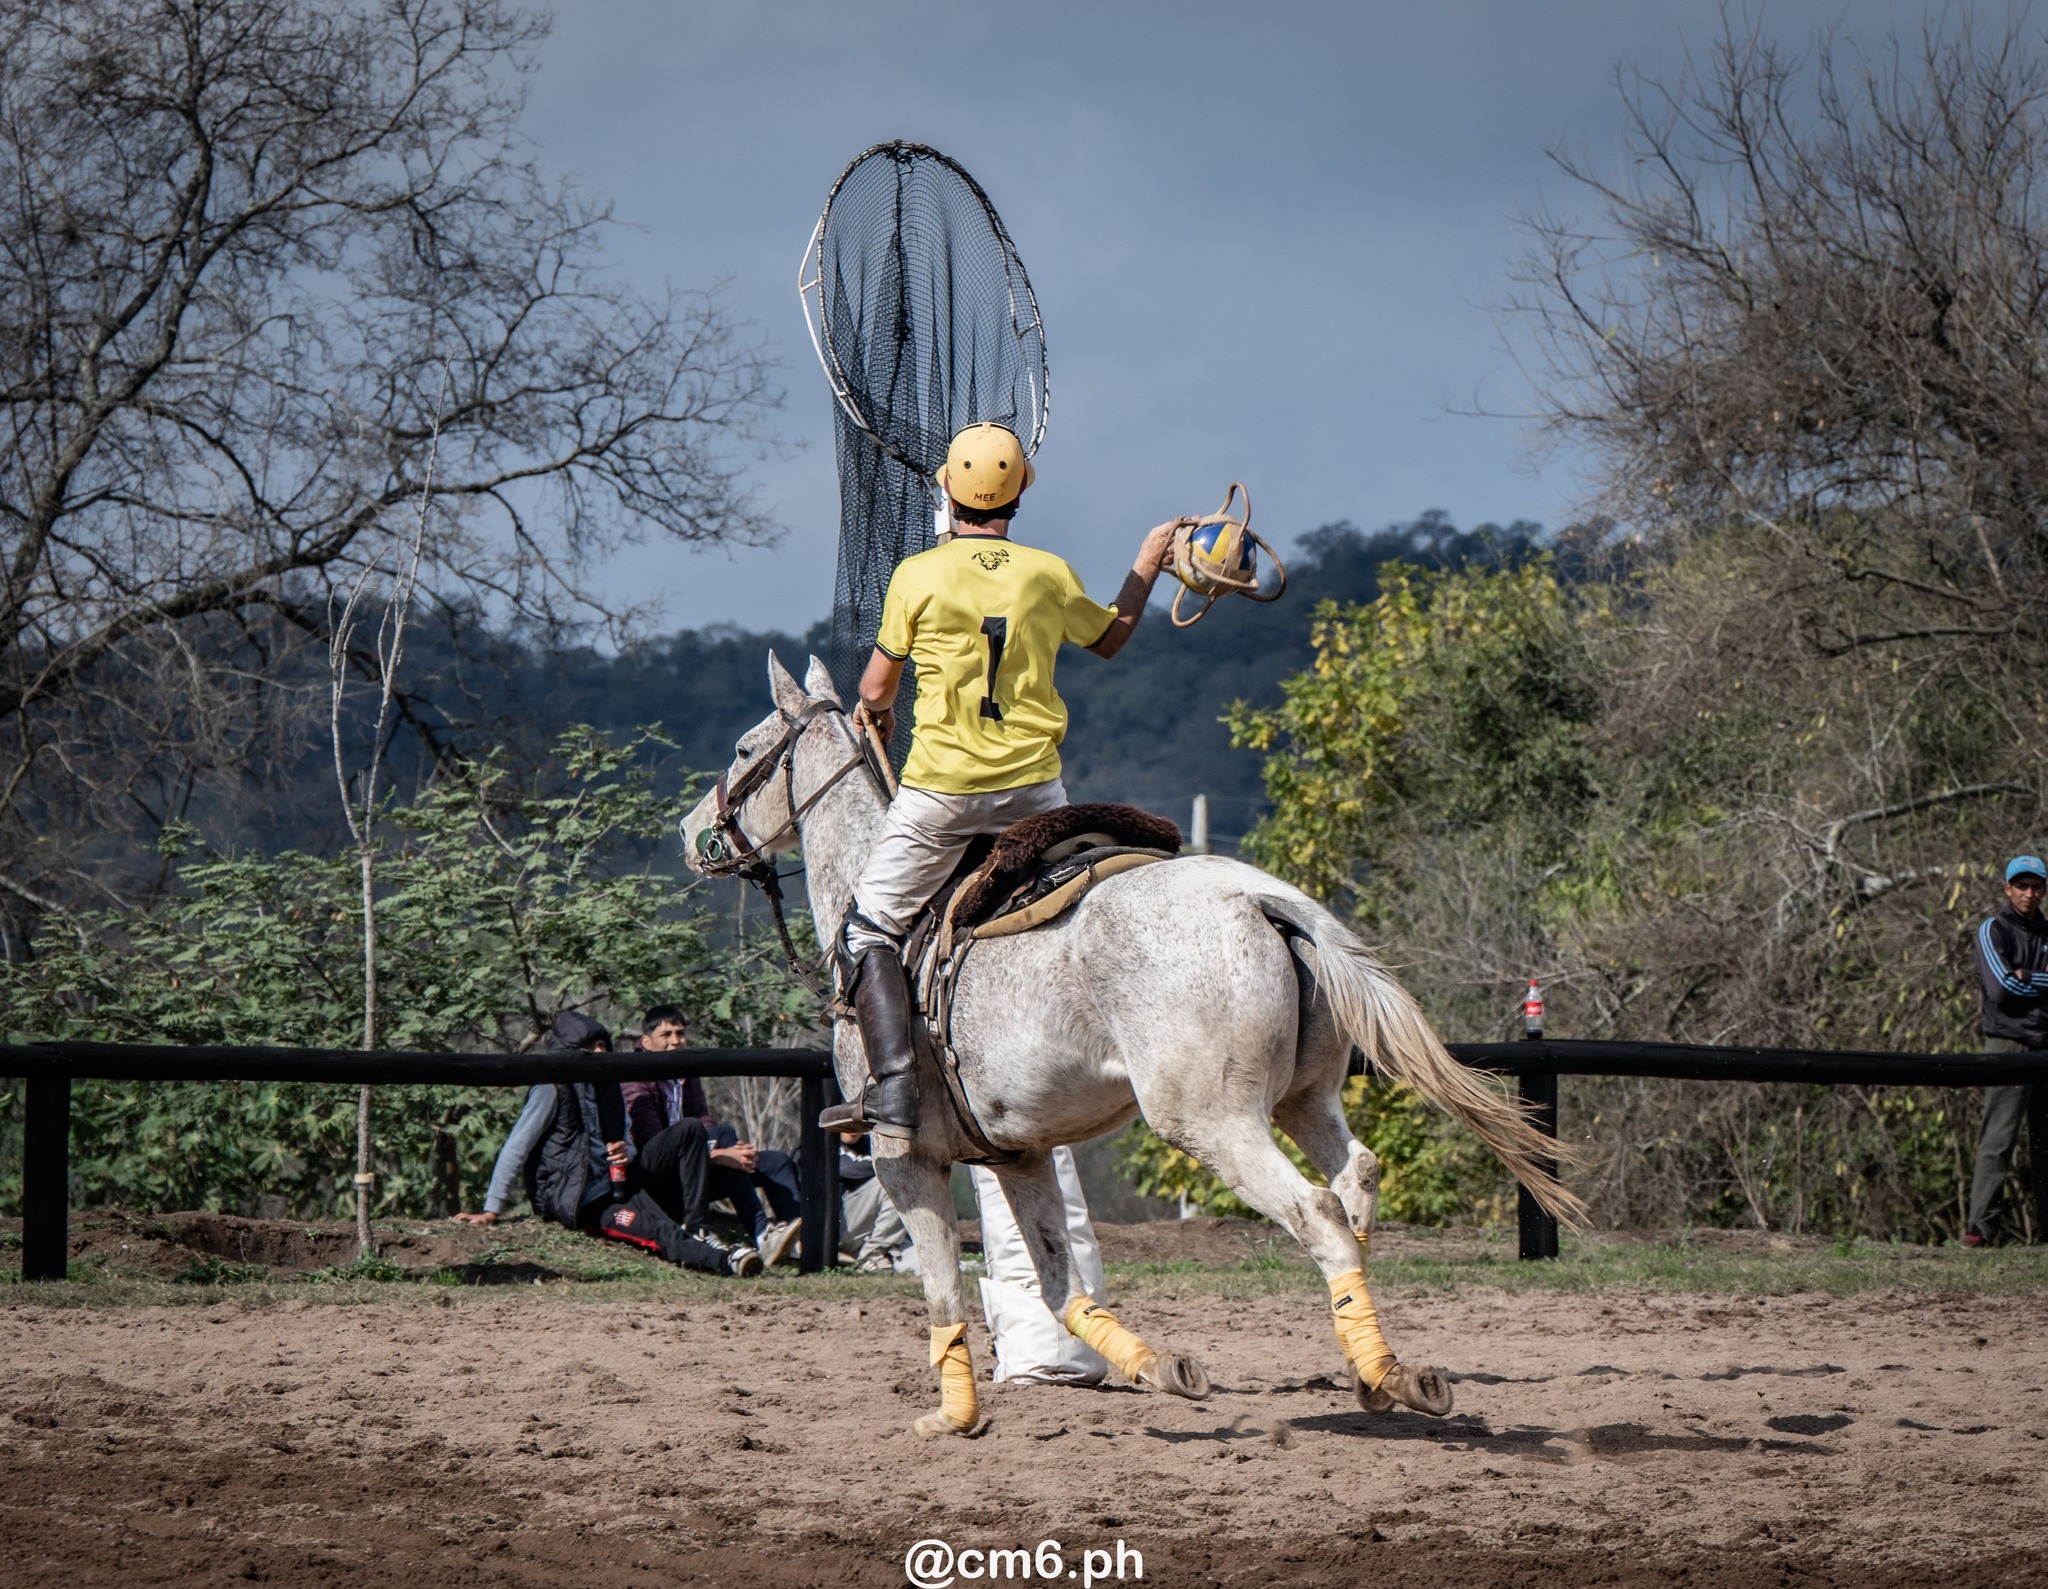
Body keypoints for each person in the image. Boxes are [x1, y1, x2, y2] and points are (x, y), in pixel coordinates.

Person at [820, 421, 1180, 1135]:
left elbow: (874, 687)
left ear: (947, 490)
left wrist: (878, 714)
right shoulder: (1048, 573)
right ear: (1018, 495)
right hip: (1037, 797)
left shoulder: (917, 576)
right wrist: (1148, 560)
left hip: (943, 798)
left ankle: (892, 1090)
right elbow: (1111, 637)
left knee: (864, 930)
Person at [455, 1011, 761, 1277]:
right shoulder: (550, 1089)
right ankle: (725, 1261)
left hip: (617, 1184)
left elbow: (630, 1145)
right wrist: (491, 1210)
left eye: (604, 1045)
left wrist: (626, 1153)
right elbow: (515, 1148)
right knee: (656, 1230)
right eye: (592, 1047)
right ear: (571, 1051)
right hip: (578, 1198)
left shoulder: (609, 1089)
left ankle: (706, 1235)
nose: (601, 1053)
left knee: (688, 1136)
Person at [625, 1004, 803, 1268]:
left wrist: (733, 1153)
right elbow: (651, 1141)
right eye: (667, 1035)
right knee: (709, 1132)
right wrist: (719, 1154)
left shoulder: (685, 1071)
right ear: (646, 1041)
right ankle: (759, 1233)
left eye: (680, 1033)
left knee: (775, 1161)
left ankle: (802, 1243)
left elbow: (704, 1120)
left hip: (695, 1168)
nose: (676, 1041)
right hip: (656, 1176)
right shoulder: (635, 1075)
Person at [1965, 855, 2047, 1246]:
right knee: (1998, 1141)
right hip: (2008, 1045)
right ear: (2008, 889)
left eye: (2036, 886)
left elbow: (2016, 984)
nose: (2029, 893)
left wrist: (2028, 976)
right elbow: (1999, 989)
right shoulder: (1992, 930)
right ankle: (1980, 1229)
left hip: (2045, 1045)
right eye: (2022, 886)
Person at [836, 1137, 915, 1272]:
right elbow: (847, 1169)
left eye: (855, 1118)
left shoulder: (870, 1142)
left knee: (928, 1263)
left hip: (874, 1233)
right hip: (841, 1228)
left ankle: (874, 1256)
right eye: (845, 1118)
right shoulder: (821, 1141)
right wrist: (891, 1164)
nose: (852, 1126)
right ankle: (870, 1255)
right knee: (896, 1180)